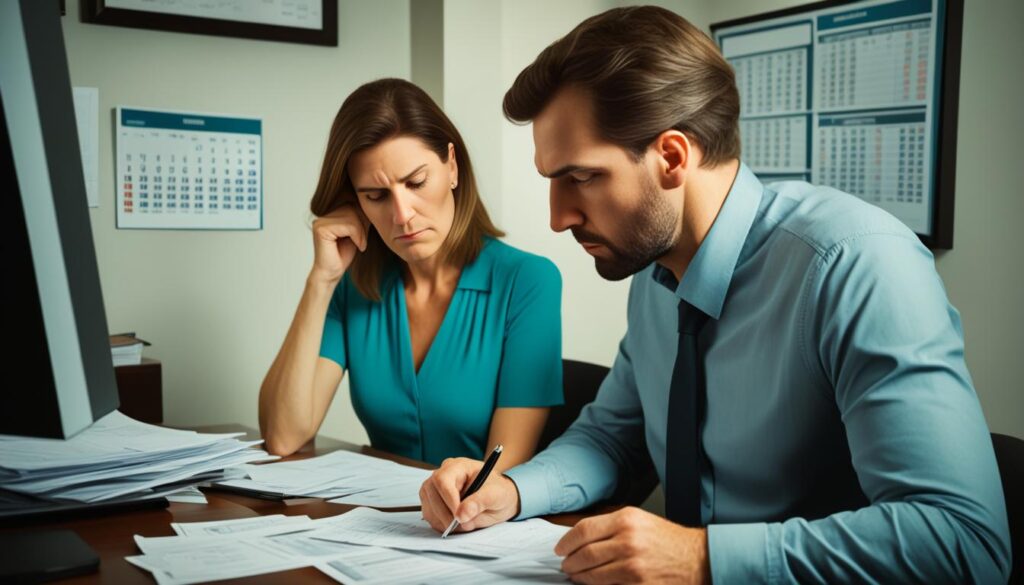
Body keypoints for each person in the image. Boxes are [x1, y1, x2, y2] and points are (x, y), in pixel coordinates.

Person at [419, 6, 1011, 584]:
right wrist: (512, 490)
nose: (558, 217)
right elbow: (611, 438)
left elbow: (962, 539)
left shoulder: (856, 264)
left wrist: (702, 559)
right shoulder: (655, 279)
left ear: (672, 157)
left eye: (582, 177)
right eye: (552, 180)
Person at [259, 78, 564, 472]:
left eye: (416, 183)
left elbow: (498, 474)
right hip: (377, 520)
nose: (402, 215)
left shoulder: (528, 281)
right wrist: (321, 280)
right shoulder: (353, 287)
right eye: (376, 195)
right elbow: (284, 437)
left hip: (476, 523)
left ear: (452, 166)